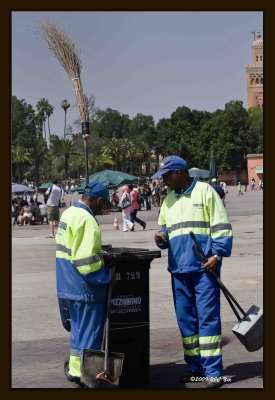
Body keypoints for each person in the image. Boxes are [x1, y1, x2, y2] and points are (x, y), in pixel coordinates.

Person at [151, 155, 233, 388]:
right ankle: (195, 367)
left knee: (207, 320)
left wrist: (217, 254)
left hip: (204, 268)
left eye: (166, 176)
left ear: (178, 173)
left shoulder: (206, 192)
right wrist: (161, 238)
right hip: (178, 270)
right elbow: (165, 231)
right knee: (186, 322)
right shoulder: (167, 201)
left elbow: (221, 226)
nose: (163, 181)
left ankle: (213, 372)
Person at [55, 182, 114, 386]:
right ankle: (89, 378)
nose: (103, 208)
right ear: (97, 200)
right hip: (86, 288)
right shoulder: (87, 220)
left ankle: (74, 371)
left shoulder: (68, 213)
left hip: (68, 285)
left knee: (78, 333)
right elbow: (86, 262)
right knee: (91, 335)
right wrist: (106, 275)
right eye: (103, 204)